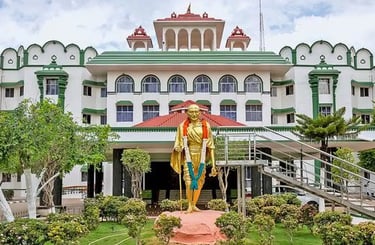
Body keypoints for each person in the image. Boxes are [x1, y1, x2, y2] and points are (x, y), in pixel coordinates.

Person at [170, 104, 217, 213]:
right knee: (188, 182)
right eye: (191, 112)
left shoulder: (206, 126)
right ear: (187, 113)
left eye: (196, 112)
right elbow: (178, 143)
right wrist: (178, 147)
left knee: (200, 182)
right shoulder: (182, 126)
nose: (194, 114)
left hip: (201, 156)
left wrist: (214, 165)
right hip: (188, 155)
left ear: (200, 113)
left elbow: (211, 146)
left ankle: (194, 204)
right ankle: (189, 205)